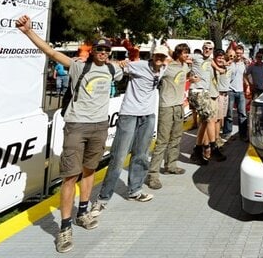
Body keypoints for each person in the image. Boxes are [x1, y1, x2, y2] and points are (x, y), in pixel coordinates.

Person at [15, 15, 124, 253]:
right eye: (100, 49)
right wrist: (28, 31)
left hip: (100, 126)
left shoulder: (112, 70)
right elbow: (51, 52)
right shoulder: (78, 66)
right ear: (93, 51)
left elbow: (129, 69)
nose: (103, 53)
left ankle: (82, 212)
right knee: (70, 176)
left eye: (107, 50)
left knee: (89, 171)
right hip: (77, 125)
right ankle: (64, 227)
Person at [90, 46, 170, 217]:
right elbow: (116, 66)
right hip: (129, 114)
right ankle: (102, 199)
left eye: (162, 56)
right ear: (152, 55)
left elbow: (176, 61)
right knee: (118, 157)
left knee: (141, 155)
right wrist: (114, 62)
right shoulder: (139, 65)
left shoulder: (163, 67)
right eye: (157, 55)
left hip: (148, 116)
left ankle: (135, 190)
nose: (159, 58)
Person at [146, 43, 191, 190]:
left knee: (176, 138)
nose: (187, 55)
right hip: (166, 106)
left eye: (187, 52)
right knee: (162, 141)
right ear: (178, 54)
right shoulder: (167, 67)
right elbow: (154, 70)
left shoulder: (185, 66)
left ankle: (171, 165)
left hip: (179, 106)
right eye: (184, 53)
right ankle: (153, 175)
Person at [189, 41, 215, 165]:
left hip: (205, 93)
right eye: (205, 48)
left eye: (210, 48)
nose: (207, 50)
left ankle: (198, 150)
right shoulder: (196, 57)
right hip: (197, 91)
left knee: (205, 122)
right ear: (202, 48)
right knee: (208, 119)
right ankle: (210, 147)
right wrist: (189, 78)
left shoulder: (210, 60)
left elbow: (220, 66)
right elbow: (180, 58)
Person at [228, 44, 249, 141]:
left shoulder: (245, 64)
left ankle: (243, 135)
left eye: (240, 53)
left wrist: (248, 86)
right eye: (237, 53)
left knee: (242, 114)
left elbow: (245, 76)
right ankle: (228, 134)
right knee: (229, 114)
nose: (238, 55)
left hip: (240, 91)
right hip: (230, 90)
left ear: (243, 53)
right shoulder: (230, 63)